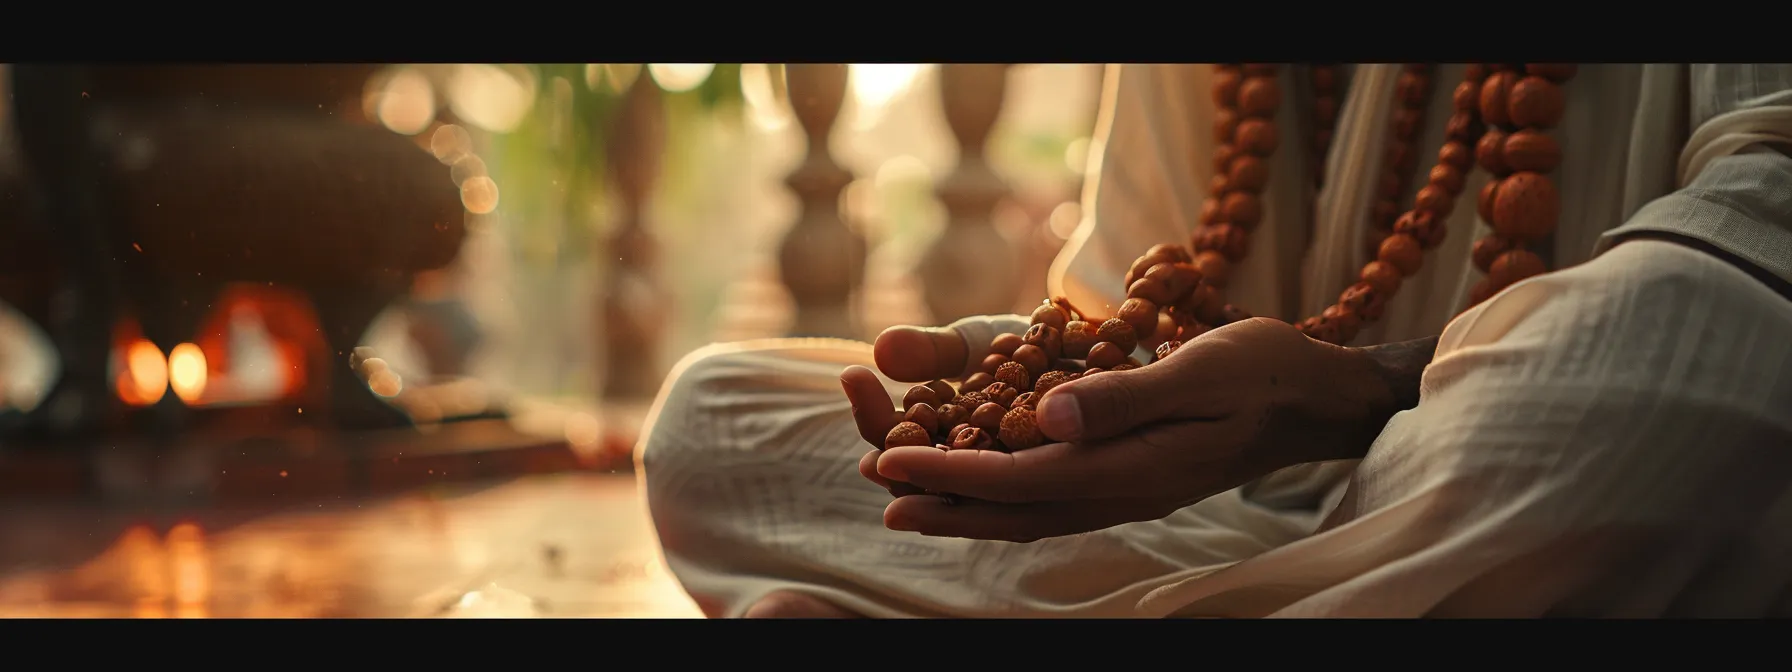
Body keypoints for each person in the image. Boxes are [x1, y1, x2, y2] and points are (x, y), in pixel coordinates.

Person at [636, 64, 1792, 618]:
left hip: (1494, 446)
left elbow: (1761, 216)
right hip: (1251, 506)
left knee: (1643, 381)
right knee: (713, 421)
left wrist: (1369, 389)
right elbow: (1136, 287)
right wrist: (1055, 366)